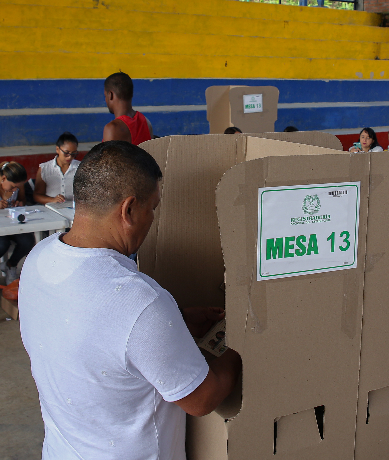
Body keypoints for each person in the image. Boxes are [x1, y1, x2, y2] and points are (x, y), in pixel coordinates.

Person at [19, 140, 241, 459]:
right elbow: (202, 399)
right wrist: (240, 346)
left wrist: (174, 322)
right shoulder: (139, 300)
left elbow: (94, 336)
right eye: (152, 208)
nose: (151, 218)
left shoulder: (39, 258)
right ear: (129, 210)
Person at [103, 72, 153, 145]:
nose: (105, 100)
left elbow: (108, 156)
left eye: (105, 96)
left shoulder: (112, 128)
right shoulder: (146, 122)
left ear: (110, 95)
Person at [33, 132, 80, 204]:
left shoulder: (81, 167)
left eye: (73, 154)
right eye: (66, 153)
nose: (70, 157)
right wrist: (52, 200)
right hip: (51, 209)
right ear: (57, 149)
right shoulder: (45, 168)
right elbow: (37, 196)